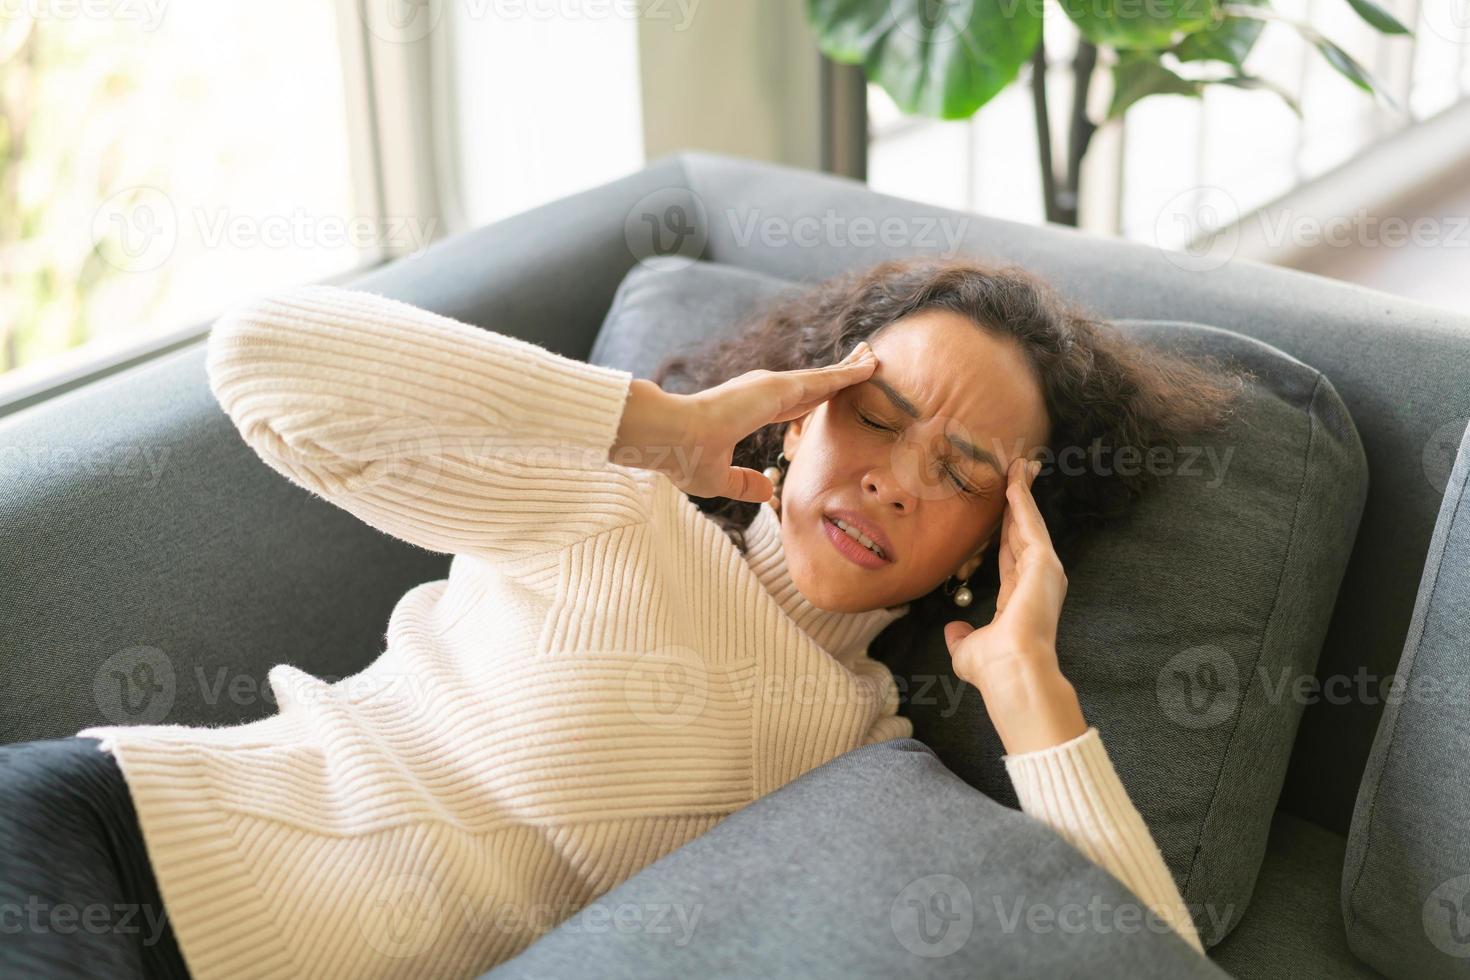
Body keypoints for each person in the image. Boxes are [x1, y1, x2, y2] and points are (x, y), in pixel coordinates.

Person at [3, 256, 1243, 979]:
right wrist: (664, 427)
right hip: (110, 846)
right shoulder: (613, 507)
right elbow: (265, 356)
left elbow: (1135, 956)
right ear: (805, 407)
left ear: (999, 538)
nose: (900, 476)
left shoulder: (869, 770)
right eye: (877, 411)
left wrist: (1032, 685)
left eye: (967, 470)